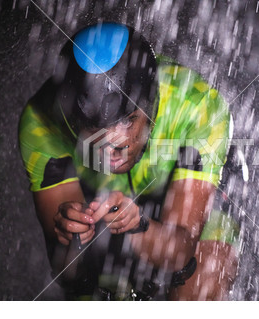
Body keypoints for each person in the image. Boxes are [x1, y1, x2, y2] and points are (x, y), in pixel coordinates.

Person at [18, 22, 239, 300]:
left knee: (201, 286)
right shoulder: (40, 123)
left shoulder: (198, 105)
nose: (111, 150)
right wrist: (73, 237)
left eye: (128, 122)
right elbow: (70, 272)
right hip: (102, 201)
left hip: (191, 192)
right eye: (93, 132)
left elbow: (180, 255)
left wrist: (140, 227)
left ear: (152, 104)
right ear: (72, 122)